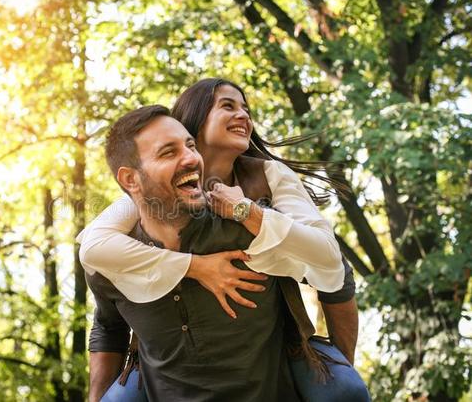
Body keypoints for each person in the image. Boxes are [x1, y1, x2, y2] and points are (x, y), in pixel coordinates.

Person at [81, 79, 369, 401]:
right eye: (228, 106)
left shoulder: (267, 180)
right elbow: (94, 247)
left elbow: (331, 262)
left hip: (272, 347)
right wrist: (196, 266)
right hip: (162, 357)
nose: (244, 115)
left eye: (246, 108)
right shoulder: (147, 195)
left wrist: (248, 212)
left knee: (344, 389)